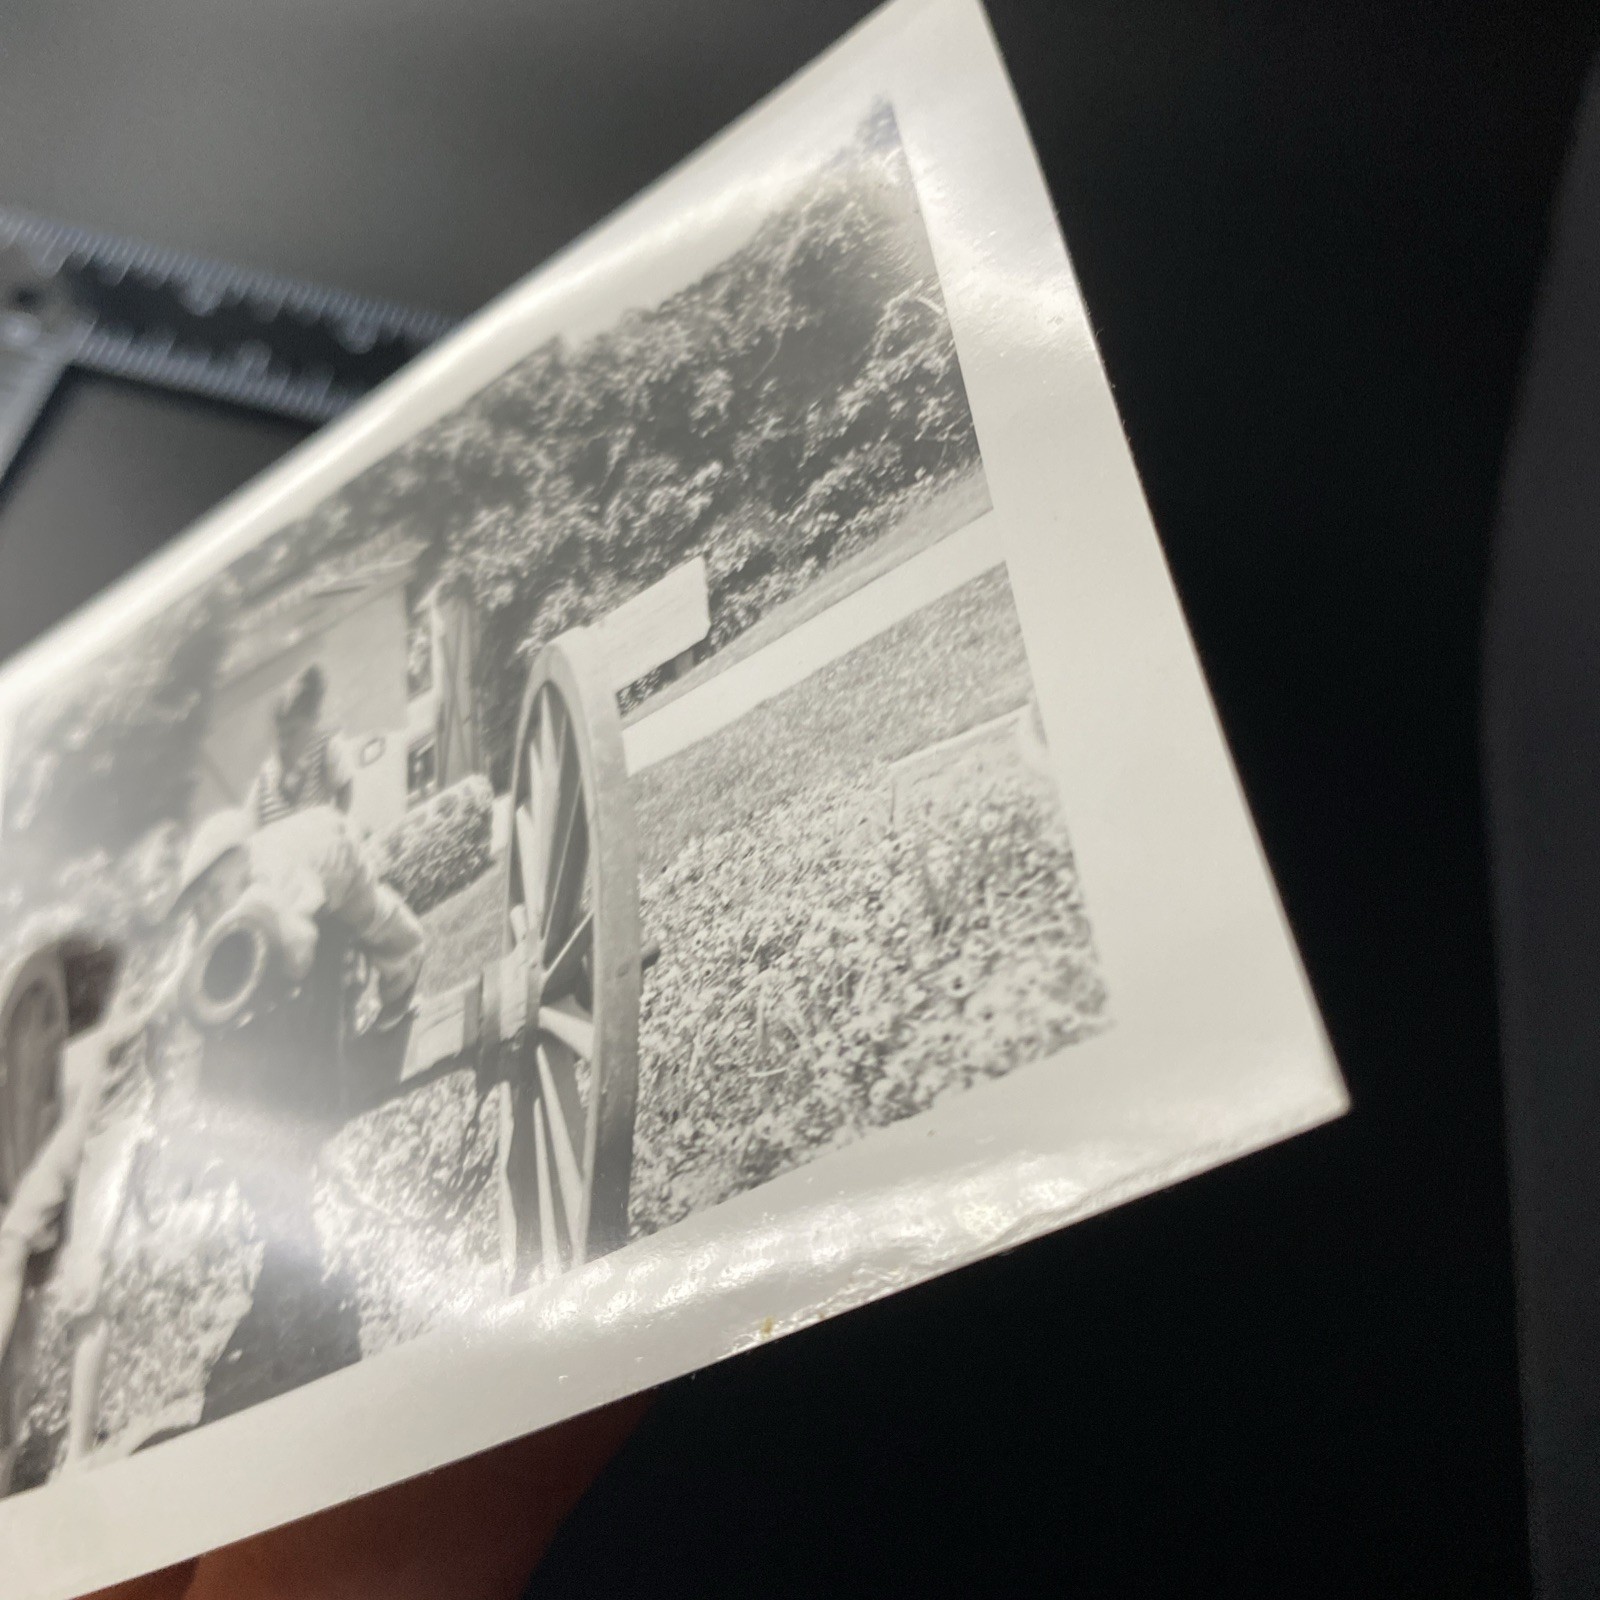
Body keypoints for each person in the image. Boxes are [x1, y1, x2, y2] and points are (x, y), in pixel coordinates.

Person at [0, 953, 183, 1492]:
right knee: (10, 1241)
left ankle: (79, 1453)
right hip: (76, 1121)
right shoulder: (78, 1034)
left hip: (113, 1136)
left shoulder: (131, 1028)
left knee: (85, 1291)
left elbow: (151, 1015)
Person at [179, 803, 423, 1035]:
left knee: (369, 918)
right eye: (200, 905)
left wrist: (284, 977)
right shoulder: (229, 893)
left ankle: (405, 963)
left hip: (337, 855)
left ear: (243, 861)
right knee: (333, 952)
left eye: (214, 892)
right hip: (310, 860)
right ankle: (349, 1005)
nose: (210, 908)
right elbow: (195, 951)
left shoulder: (274, 869)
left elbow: (301, 944)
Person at [247, 664, 354, 827]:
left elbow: (344, 787)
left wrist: (336, 828)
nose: (283, 744)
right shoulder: (262, 784)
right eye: (278, 736)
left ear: (312, 724)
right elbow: (252, 835)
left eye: (292, 733)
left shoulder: (324, 750)